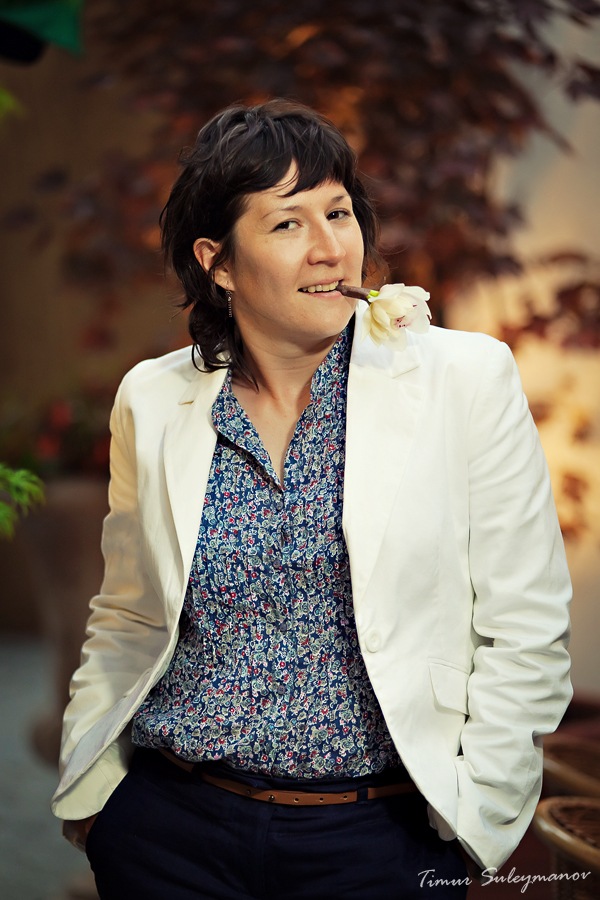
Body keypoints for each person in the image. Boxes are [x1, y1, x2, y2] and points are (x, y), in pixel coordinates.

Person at [53, 99, 572, 899]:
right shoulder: (153, 400)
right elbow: (127, 611)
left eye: (339, 212)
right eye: (288, 223)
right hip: (171, 827)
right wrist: (97, 803)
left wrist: (482, 817)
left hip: (379, 836)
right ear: (218, 263)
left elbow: (526, 622)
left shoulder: (464, 381)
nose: (331, 247)